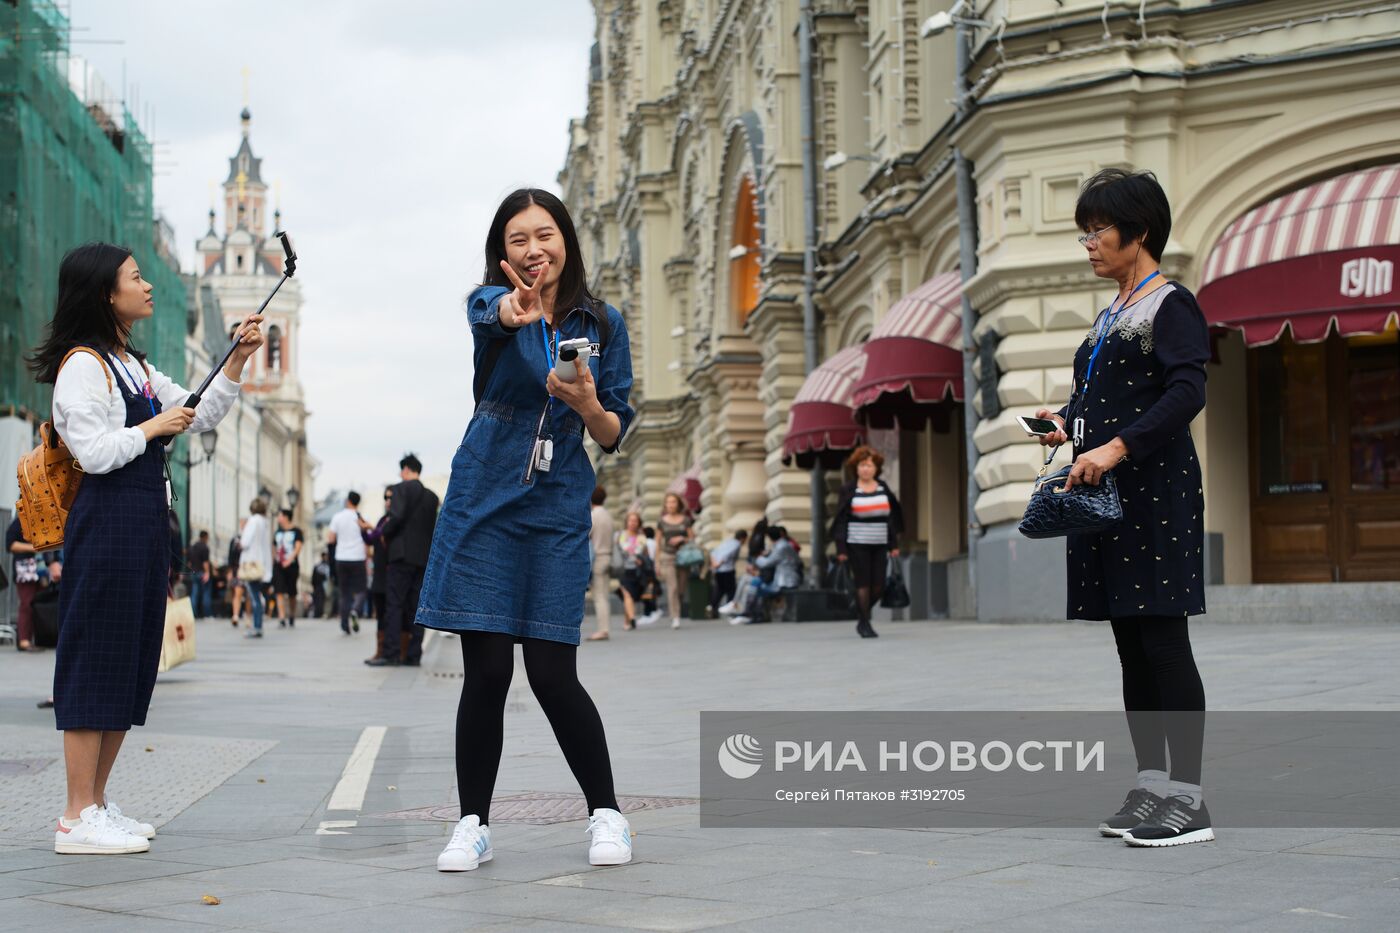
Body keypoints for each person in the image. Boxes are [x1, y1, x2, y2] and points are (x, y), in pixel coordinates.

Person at [415, 188, 636, 873]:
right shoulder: (492, 305)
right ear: (501, 252)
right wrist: (514, 310)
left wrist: (589, 401)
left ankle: (607, 813)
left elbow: (615, 431)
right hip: (485, 494)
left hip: (558, 502)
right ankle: (472, 824)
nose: (533, 249)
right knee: (485, 672)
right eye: (518, 239)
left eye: (544, 234)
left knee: (550, 671)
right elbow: (495, 313)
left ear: (565, 238)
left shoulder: (604, 322)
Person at [29, 242, 261, 854]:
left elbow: (200, 411)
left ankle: (98, 805)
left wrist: (234, 358)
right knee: (93, 660)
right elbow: (93, 452)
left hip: (141, 525)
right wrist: (151, 427)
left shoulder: (131, 364)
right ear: (107, 293)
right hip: (104, 525)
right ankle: (75, 816)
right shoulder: (84, 366)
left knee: (130, 664)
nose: (149, 286)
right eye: (136, 278)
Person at [1032, 168, 1212, 847]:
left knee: (1164, 641)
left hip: (1154, 494)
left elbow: (1186, 392)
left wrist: (1116, 448)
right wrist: (1067, 422)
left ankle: (1189, 801)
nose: (1088, 243)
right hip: (1108, 499)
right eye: (1085, 231)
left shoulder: (1171, 304)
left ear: (1137, 231)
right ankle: (1152, 785)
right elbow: (1102, 402)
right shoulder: (1111, 313)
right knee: (1131, 645)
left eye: (1097, 230)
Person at [368, 454, 439, 667]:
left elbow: (396, 517)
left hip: (401, 555)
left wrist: (384, 533)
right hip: (422, 558)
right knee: (415, 606)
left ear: (406, 469)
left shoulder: (400, 489)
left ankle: (391, 652)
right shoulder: (432, 497)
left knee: (395, 604)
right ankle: (414, 654)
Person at [829, 445, 905, 639]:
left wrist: (894, 545)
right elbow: (841, 520)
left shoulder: (882, 487)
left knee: (878, 585)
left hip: (880, 543)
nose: (866, 469)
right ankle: (865, 623)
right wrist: (841, 549)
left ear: (876, 468)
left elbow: (891, 517)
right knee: (863, 583)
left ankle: (860, 612)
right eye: (862, 465)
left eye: (870, 465)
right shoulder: (848, 489)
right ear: (856, 468)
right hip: (857, 543)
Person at [723, 526, 802, 624]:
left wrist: (756, 559)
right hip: (781, 578)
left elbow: (767, 563)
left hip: (785, 581)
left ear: (769, 537)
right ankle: (741, 609)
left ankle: (746, 613)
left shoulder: (781, 547)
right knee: (751, 582)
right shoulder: (781, 545)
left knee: (753, 584)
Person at [326, 492, 367, 635]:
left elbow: (330, 538)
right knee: (361, 590)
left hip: (341, 557)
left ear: (348, 501)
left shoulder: (338, 517)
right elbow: (366, 538)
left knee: (345, 592)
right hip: (358, 557)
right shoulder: (360, 517)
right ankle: (355, 610)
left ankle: (344, 624)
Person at [655, 493, 694, 629]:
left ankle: (678, 608)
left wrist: (682, 539)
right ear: (665, 505)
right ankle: (675, 617)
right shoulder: (661, 521)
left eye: (673, 502)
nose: (671, 505)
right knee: (673, 587)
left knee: (681, 588)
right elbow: (658, 543)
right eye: (668, 502)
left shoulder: (685, 520)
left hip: (684, 557)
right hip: (667, 556)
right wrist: (657, 563)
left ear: (678, 504)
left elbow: (692, 539)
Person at [362, 493, 392, 662]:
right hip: (379, 573)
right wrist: (363, 529)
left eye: (390, 499)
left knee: (390, 613)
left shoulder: (395, 521)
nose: (387, 502)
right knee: (380, 612)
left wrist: (371, 528)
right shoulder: (382, 520)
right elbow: (371, 539)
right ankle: (380, 650)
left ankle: (390, 650)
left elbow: (383, 534)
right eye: (386, 499)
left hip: (391, 573)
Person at [238, 499, 273, 638]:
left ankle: (257, 626)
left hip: (251, 562)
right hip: (261, 562)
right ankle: (258, 625)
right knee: (257, 595)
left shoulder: (253, 521)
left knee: (254, 597)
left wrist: (240, 543)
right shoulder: (265, 523)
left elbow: (245, 542)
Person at [6, 517, 42, 651]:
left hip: (41, 568)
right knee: (26, 603)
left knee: (37, 604)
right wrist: (34, 547)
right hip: (25, 568)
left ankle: (36, 637)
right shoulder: (20, 521)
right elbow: (10, 544)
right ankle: (24, 640)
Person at [586, 486, 614, 641]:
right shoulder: (608, 515)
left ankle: (603, 630)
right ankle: (605, 628)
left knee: (599, 596)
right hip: (608, 555)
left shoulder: (593, 516)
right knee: (604, 594)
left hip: (597, 558)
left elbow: (587, 535)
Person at [612, 512, 648, 631]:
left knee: (631, 596)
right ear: (626, 522)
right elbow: (619, 549)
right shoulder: (619, 535)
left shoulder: (642, 537)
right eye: (630, 520)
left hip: (637, 570)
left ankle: (627, 621)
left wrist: (643, 561)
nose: (632, 523)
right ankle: (632, 618)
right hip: (623, 569)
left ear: (639, 523)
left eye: (635, 521)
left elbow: (645, 553)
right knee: (627, 594)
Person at [272, 510, 304, 629]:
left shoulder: (296, 531)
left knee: (291, 592)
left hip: (292, 565)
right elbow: (274, 546)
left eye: (280, 516)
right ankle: (281, 617)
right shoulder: (278, 532)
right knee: (279, 591)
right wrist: (275, 559)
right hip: (279, 565)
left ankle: (291, 615)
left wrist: (289, 560)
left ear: (286, 517)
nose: (278, 518)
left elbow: (298, 547)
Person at [709, 529, 748, 617]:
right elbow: (727, 555)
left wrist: (714, 563)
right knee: (731, 590)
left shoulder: (727, 542)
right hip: (727, 569)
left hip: (718, 570)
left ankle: (712, 608)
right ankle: (730, 609)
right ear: (742, 538)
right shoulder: (736, 544)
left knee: (719, 590)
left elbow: (714, 552)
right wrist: (718, 564)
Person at [186, 531, 213, 619]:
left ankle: (194, 614)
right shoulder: (205, 547)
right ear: (205, 537)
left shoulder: (192, 547)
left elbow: (189, 563)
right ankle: (207, 614)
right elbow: (205, 563)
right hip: (202, 572)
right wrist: (207, 573)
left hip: (193, 572)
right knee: (206, 593)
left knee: (194, 593)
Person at [227, 528, 244, 625]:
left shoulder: (252, 538)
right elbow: (230, 556)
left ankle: (248, 616)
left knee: (248, 594)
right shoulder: (235, 540)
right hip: (237, 570)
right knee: (237, 592)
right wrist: (230, 571)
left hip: (249, 569)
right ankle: (236, 615)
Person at [311, 550, 331, 620]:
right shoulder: (319, 566)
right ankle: (320, 613)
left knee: (326, 599)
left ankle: (325, 613)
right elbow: (313, 578)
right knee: (319, 600)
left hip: (323, 586)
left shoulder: (327, 566)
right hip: (320, 586)